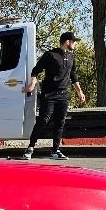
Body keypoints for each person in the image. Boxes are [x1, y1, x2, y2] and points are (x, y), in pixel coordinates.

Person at [22, 31, 87, 159]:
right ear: (67, 41)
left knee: (60, 122)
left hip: (64, 95)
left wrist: (80, 92)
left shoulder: (71, 57)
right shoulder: (50, 55)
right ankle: (30, 148)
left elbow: (73, 76)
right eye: (74, 41)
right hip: (49, 94)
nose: (75, 44)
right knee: (43, 120)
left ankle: (55, 151)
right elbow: (35, 71)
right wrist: (32, 84)